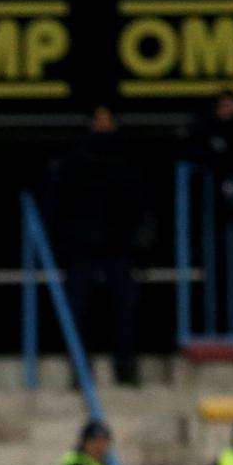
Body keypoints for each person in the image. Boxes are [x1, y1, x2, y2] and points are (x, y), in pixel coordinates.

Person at [46, 106, 146, 386]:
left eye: (108, 120)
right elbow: (60, 203)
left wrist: (135, 240)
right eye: (98, 120)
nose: (103, 125)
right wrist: (66, 240)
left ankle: (125, 366)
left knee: (125, 306)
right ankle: (80, 367)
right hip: (83, 246)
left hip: (118, 245)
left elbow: (138, 202)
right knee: (78, 308)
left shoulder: (127, 156)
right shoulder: (76, 158)